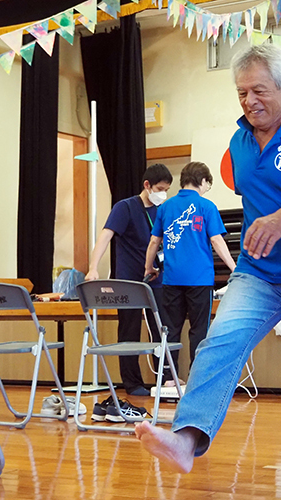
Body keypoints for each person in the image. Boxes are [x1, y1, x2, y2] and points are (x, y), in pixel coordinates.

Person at [135, 44, 281, 473]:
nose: (250, 101)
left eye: (259, 90)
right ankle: (186, 439)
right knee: (219, 342)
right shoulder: (238, 142)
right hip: (257, 271)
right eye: (242, 93)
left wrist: (280, 219)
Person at [144, 161, 236, 390]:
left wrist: (149, 268)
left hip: (172, 279)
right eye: (208, 185)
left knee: (170, 328)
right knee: (199, 329)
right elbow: (216, 240)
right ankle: (197, 377)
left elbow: (154, 241)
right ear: (203, 181)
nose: (206, 189)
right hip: (200, 280)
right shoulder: (206, 206)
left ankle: (168, 377)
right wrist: (235, 268)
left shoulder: (165, 208)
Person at [85, 163, 172, 396]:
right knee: (129, 331)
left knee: (162, 329)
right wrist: (93, 268)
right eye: (160, 188)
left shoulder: (163, 209)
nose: (163, 193)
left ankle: (166, 381)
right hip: (129, 281)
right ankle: (132, 383)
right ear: (147, 185)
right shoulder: (125, 207)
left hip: (158, 280)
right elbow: (105, 236)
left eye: (167, 189)